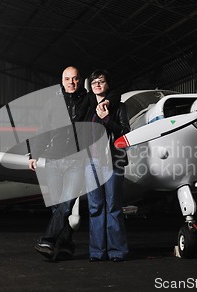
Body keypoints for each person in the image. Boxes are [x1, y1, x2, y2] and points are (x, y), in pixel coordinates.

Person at [29, 66, 117, 261]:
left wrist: (109, 100)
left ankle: (48, 241)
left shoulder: (88, 99)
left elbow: (111, 93)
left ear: (80, 81)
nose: (71, 82)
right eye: (67, 79)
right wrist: (35, 154)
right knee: (57, 207)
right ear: (62, 81)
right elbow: (43, 129)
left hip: (77, 161)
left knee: (66, 205)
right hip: (53, 160)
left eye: (75, 79)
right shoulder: (52, 103)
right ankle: (67, 245)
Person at [84, 69, 130, 262]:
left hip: (113, 161)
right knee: (95, 208)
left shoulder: (119, 107)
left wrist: (106, 119)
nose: (97, 85)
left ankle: (117, 251)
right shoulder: (86, 106)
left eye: (101, 81)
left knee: (113, 207)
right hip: (91, 163)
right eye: (94, 82)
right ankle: (97, 252)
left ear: (107, 84)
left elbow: (125, 133)